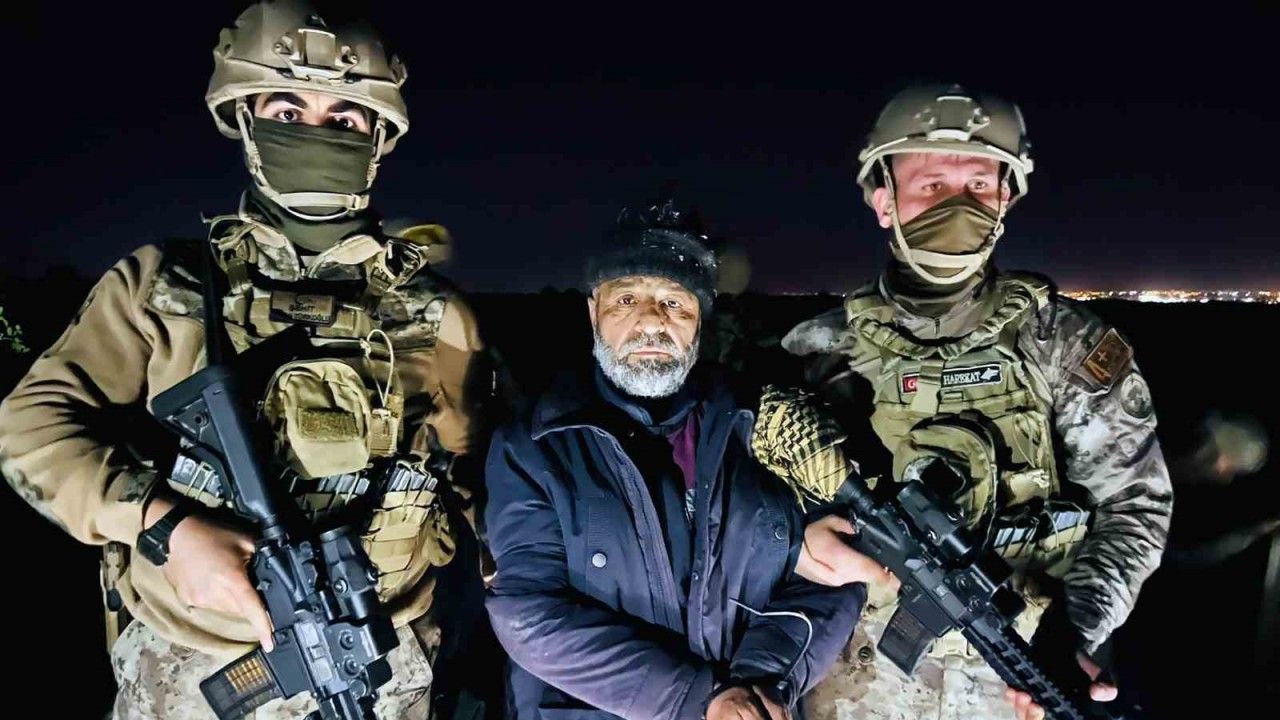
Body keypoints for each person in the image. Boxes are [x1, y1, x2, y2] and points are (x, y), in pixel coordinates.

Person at [0, 2, 490, 717]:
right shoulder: (162, 285)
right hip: (189, 669)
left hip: (381, 665)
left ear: (379, 138)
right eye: (287, 111)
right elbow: (31, 426)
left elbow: (480, 481)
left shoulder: (438, 314)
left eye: (345, 117)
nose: (317, 132)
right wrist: (164, 525)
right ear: (245, 118)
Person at [779, 83, 1174, 720]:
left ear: (1005, 200)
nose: (958, 207)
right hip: (858, 677)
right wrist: (794, 541)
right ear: (884, 200)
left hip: (1021, 672)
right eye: (932, 185)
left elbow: (1134, 504)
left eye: (979, 185)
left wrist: (1073, 632)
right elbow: (752, 509)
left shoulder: (1062, 344)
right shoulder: (823, 352)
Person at [483, 196, 865, 719]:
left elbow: (832, 576)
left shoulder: (767, 429)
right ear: (593, 311)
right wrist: (698, 701)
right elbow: (527, 613)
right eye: (626, 300)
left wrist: (762, 681)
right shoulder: (536, 445)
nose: (651, 322)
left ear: (699, 320)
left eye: (674, 302)